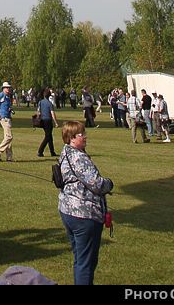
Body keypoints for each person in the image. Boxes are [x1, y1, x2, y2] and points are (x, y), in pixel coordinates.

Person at [56, 120, 113, 286]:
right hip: (83, 215)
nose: (85, 136)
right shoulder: (78, 157)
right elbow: (96, 183)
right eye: (81, 134)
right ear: (72, 138)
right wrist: (109, 183)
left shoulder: (66, 153)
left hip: (68, 211)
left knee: (80, 259)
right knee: (86, 262)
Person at [0, 81, 15, 162]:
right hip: (4, 118)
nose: (8, 89)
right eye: (6, 88)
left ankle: (9, 157)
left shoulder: (7, 97)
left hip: (8, 118)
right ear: (3, 89)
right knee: (9, 136)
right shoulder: (2, 95)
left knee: (7, 137)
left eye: (9, 88)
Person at [36, 88, 58, 157]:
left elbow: (38, 111)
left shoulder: (40, 102)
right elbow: (52, 113)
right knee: (47, 137)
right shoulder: (49, 104)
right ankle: (40, 151)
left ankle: (52, 152)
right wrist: (56, 122)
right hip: (48, 120)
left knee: (49, 136)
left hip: (42, 120)